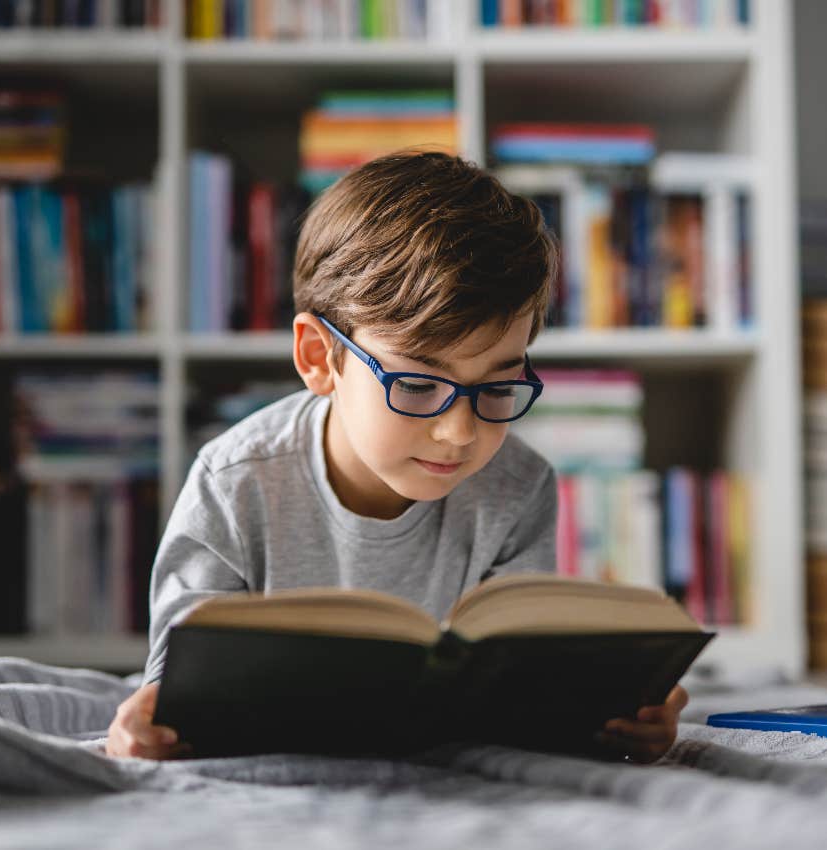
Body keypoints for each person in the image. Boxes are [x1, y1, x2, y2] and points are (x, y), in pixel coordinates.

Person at [106, 150, 687, 763]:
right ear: (317, 357)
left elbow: (529, 680)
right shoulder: (233, 485)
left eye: (495, 387)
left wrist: (620, 716)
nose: (459, 432)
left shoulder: (519, 488)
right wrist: (150, 724)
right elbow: (171, 693)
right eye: (415, 385)